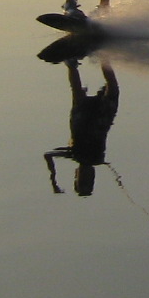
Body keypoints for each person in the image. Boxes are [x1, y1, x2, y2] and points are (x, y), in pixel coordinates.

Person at [44, 59, 119, 196]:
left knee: (78, 93)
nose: (86, 175)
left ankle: (72, 64)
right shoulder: (95, 159)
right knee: (112, 88)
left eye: (82, 179)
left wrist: (54, 179)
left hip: (83, 117)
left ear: (76, 174)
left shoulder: (75, 155)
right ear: (93, 177)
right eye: (88, 179)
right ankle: (105, 57)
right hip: (102, 116)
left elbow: (48, 155)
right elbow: (48, 156)